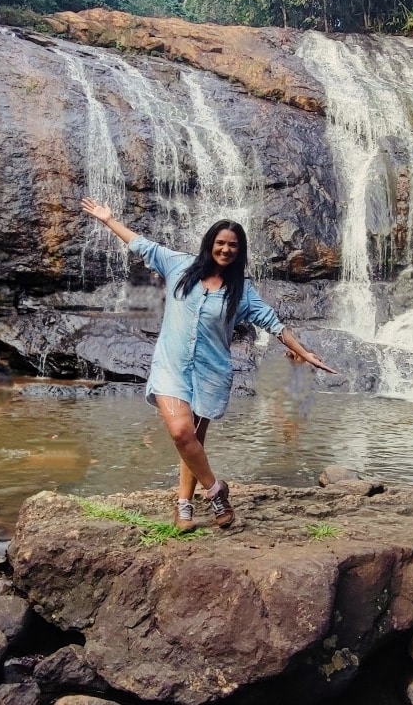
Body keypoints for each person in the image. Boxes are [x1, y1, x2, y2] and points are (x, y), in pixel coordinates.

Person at [80, 198, 337, 531]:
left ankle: (183, 506)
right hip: (171, 367)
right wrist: (109, 220)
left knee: (193, 443)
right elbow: (142, 245)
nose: (226, 250)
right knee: (181, 432)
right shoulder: (180, 266)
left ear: (239, 251)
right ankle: (216, 490)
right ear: (210, 244)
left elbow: (274, 324)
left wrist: (304, 353)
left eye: (233, 245)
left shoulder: (242, 292)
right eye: (220, 243)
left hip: (210, 372)